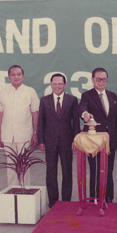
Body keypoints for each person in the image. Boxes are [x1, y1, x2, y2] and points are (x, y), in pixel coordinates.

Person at [79, 67, 117, 203]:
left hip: (110, 139)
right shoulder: (87, 95)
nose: (101, 81)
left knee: (108, 169)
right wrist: (85, 114)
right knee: (95, 169)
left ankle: (108, 197)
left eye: (104, 79)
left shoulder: (113, 95)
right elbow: (82, 108)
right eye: (98, 79)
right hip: (94, 141)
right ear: (92, 80)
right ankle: (95, 197)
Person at [38, 73, 80, 207]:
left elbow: (76, 122)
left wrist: (75, 139)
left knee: (67, 171)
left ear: (65, 85)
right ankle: (53, 201)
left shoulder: (72, 100)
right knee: (51, 171)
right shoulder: (44, 100)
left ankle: (66, 201)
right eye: (54, 83)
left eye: (60, 83)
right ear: (51, 85)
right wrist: (41, 141)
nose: (57, 86)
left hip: (67, 141)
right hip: (50, 141)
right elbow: (41, 122)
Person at [0, 65, 40, 187]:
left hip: (25, 134)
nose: (16, 77)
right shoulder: (3, 92)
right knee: (11, 165)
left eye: (19, 74)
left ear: (23, 76)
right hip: (8, 134)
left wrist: (35, 134)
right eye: (13, 75)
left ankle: (25, 189)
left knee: (24, 164)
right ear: (9, 77)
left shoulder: (30, 91)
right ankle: (12, 189)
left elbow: (35, 114)